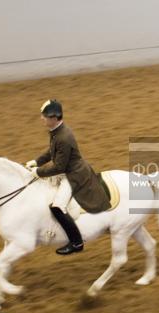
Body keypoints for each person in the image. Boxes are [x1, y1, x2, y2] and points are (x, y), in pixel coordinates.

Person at [26, 99, 110, 255]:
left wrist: (38, 172)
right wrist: (37, 161)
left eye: (45, 116)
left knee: (57, 206)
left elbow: (59, 167)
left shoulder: (63, 136)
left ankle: (76, 242)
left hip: (74, 175)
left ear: (54, 117)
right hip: (67, 171)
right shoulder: (58, 131)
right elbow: (52, 151)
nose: (42, 118)